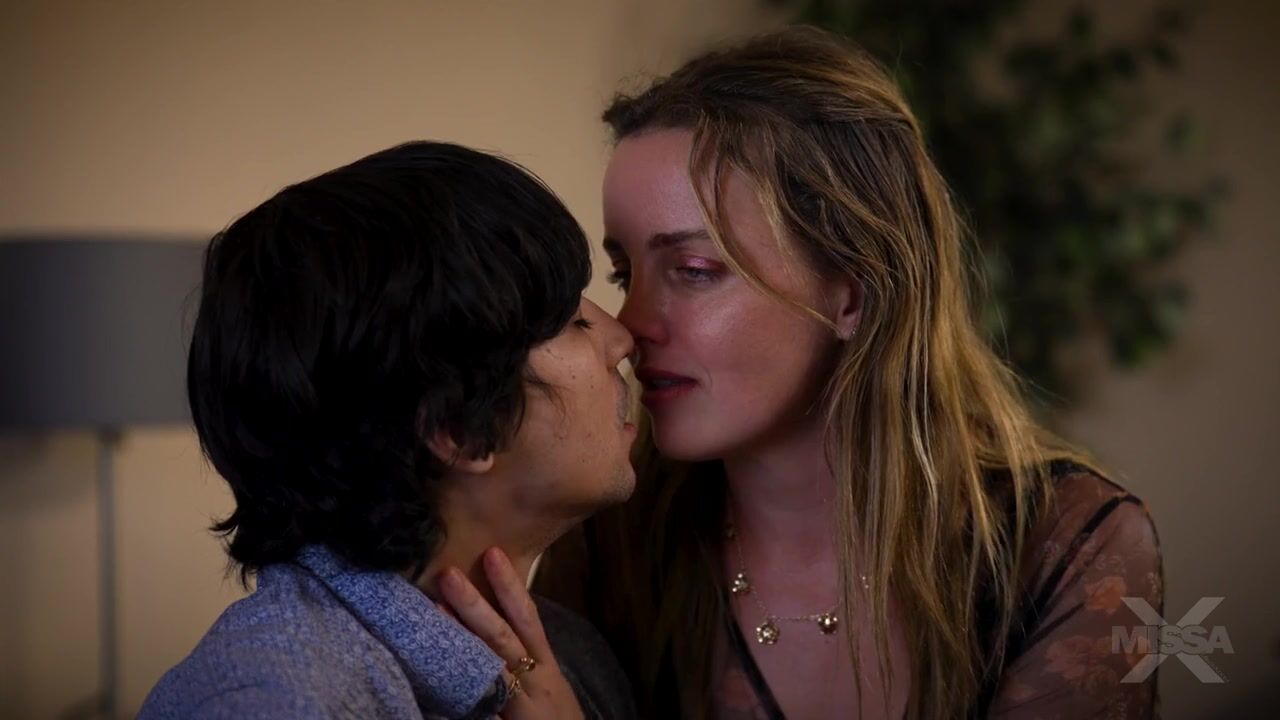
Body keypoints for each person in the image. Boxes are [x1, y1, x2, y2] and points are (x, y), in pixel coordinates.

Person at [530, 26, 1164, 719]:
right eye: (624, 273)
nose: (629, 326)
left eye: (694, 270)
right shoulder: (611, 537)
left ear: (852, 294)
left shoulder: (1068, 546)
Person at [138, 141, 639, 720]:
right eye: (574, 323)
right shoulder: (287, 699)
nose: (621, 339)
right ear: (459, 427)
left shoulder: (567, 657)